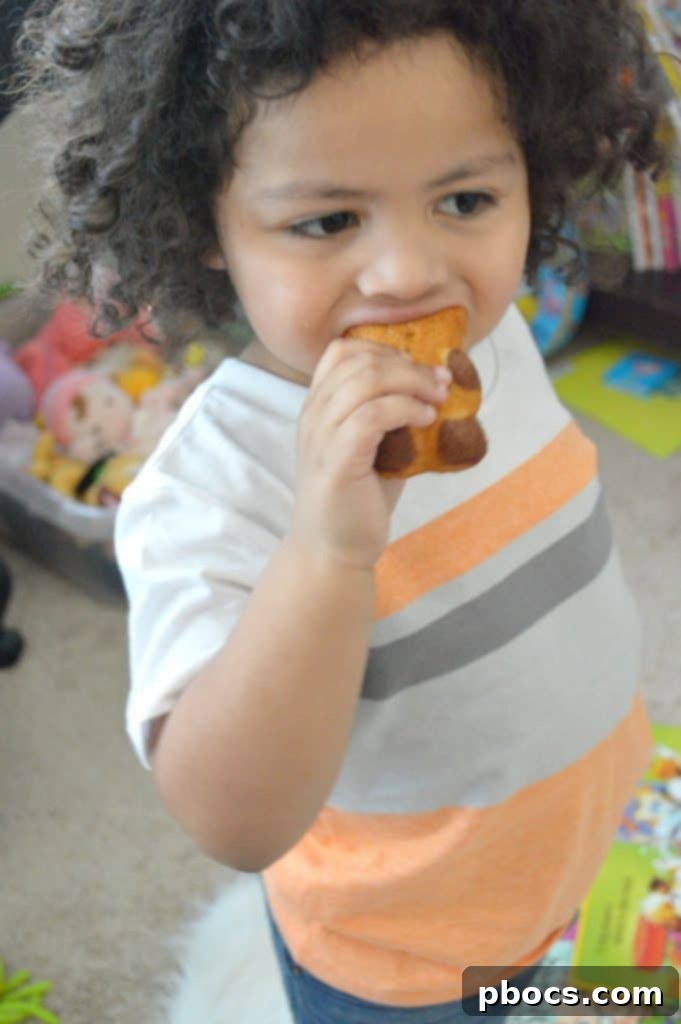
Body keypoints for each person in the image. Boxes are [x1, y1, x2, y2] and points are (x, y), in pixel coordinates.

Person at [14, 1, 668, 1020]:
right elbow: (234, 820)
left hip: (568, 859)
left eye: (464, 199)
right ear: (205, 225)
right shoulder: (210, 486)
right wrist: (326, 552)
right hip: (402, 955)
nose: (410, 275)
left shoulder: (492, 338)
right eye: (327, 222)